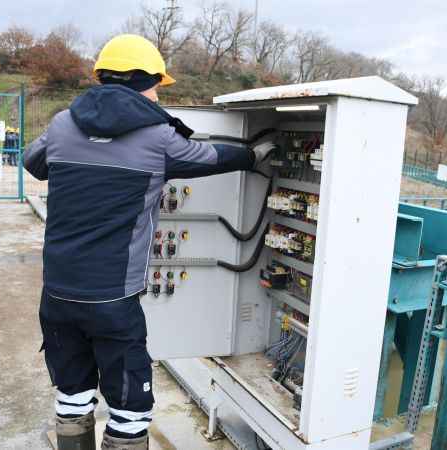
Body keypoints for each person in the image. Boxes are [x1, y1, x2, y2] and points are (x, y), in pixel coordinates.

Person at [23, 34, 275, 450]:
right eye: (158, 83)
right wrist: (255, 155)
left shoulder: (62, 123)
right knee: (129, 409)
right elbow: (211, 157)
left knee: (71, 394)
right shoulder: (158, 137)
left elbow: (35, 162)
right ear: (143, 80)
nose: (159, 93)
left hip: (57, 295)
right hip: (113, 302)